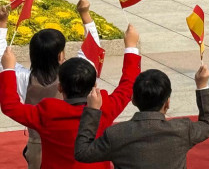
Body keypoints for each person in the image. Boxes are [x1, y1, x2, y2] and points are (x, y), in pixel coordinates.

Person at [0, 24, 140, 169]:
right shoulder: (104, 108)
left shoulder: (48, 113)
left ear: (60, 88)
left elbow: (10, 106)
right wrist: (131, 46)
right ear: (94, 86)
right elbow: (128, 85)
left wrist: (8, 69)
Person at [0, 0, 101, 169]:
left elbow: (2, 56)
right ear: (60, 55)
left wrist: (2, 24)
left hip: (38, 144)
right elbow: (93, 49)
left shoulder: (23, 78)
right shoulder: (79, 74)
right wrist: (85, 14)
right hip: (78, 137)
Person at [74, 66, 209, 168]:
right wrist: (202, 85)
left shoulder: (116, 134)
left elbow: (82, 153)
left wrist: (92, 111)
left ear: (133, 99)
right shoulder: (182, 129)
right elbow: (208, 124)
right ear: (167, 103)